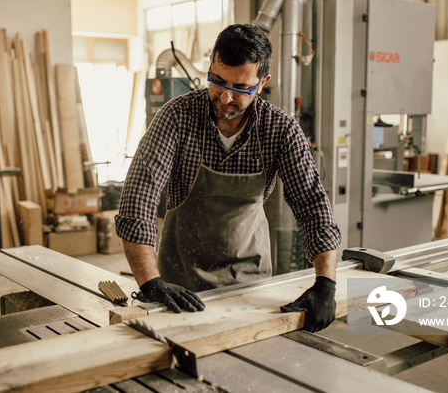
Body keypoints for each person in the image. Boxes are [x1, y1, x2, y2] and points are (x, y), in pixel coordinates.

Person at [115, 24, 341, 332]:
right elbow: (137, 201)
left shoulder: (281, 130)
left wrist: (326, 282)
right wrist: (151, 282)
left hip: (250, 286)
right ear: (210, 64)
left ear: (262, 83)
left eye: (241, 87)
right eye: (218, 81)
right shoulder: (176, 117)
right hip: (176, 285)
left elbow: (312, 204)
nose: (225, 97)